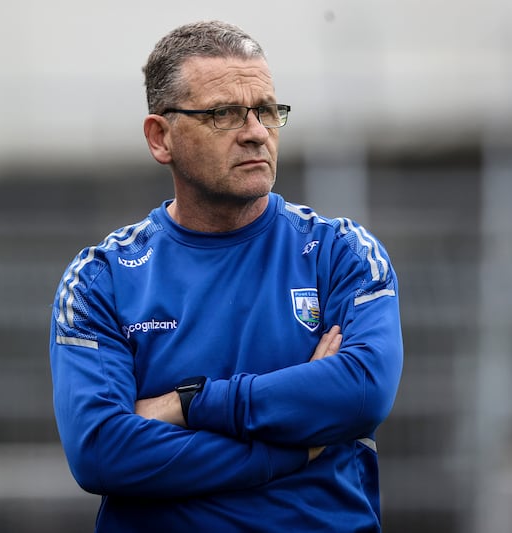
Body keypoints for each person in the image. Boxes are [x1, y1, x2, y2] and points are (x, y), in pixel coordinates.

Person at [49, 20, 403, 532]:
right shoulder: (102, 279)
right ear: (160, 137)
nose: (256, 131)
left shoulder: (341, 253)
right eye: (224, 114)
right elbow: (102, 451)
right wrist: (288, 452)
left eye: (266, 111)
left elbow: (363, 393)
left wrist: (190, 404)